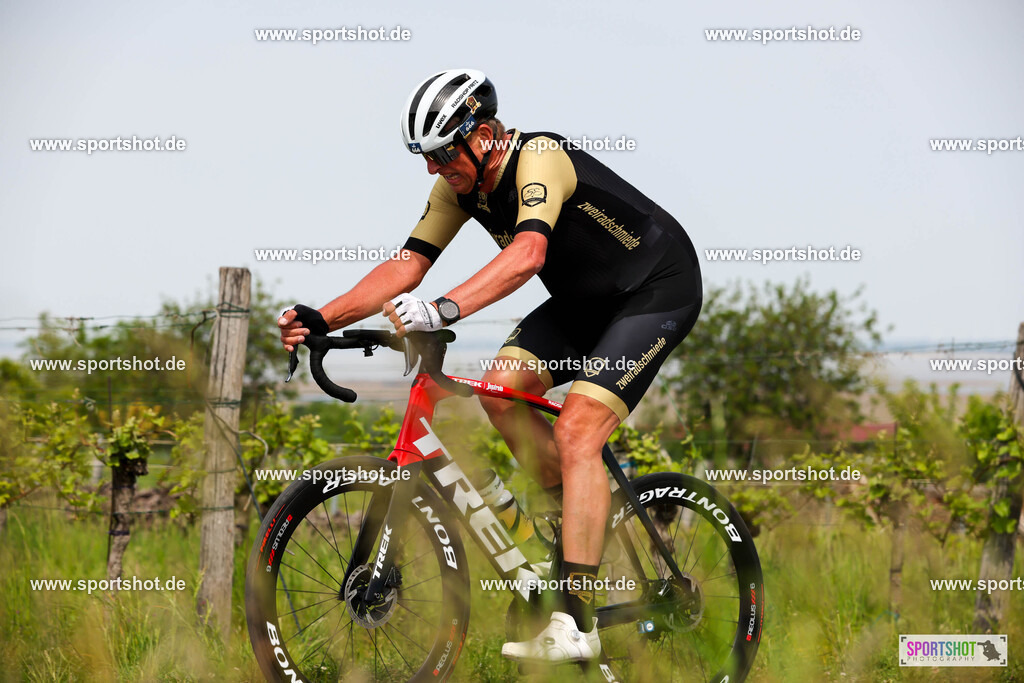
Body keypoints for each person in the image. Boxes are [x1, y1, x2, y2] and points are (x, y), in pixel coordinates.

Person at [277, 68, 702, 663]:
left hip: (656, 289)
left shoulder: (539, 157)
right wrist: (322, 317)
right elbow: (406, 266)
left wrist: (441, 309)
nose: (433, 168)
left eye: (442, 153)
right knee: (500, 390)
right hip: (584, 304)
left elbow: (528, 254)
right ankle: (575, 528)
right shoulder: (457, 188)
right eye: (425, 157)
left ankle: (577, 622)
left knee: (577, 431)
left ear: (481, 136)